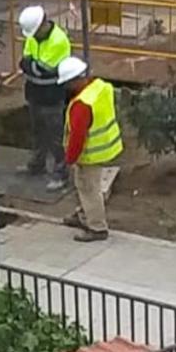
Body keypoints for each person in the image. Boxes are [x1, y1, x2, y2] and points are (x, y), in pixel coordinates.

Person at [57, 57, 124, 243]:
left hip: (90, 154)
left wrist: (70, 158)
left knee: (89, 189)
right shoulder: (100, 86)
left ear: (76, 80)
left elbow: (78, 137)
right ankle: (83, 214)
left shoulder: (81, 104)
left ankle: (97, 227)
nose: (66, 88)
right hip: (106, 146)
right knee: (85, 186)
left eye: (68, 83)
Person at [18, 5, 73, 193]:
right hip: (35, 92)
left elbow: (43, 69)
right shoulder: (34, 37)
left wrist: (31, 65)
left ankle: (61, 172)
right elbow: (26, 61)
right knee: (38, 131)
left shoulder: (58, 40)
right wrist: (31, 65)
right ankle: (37, 164)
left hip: (51, 95)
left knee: (56, 137)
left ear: (43, 24)